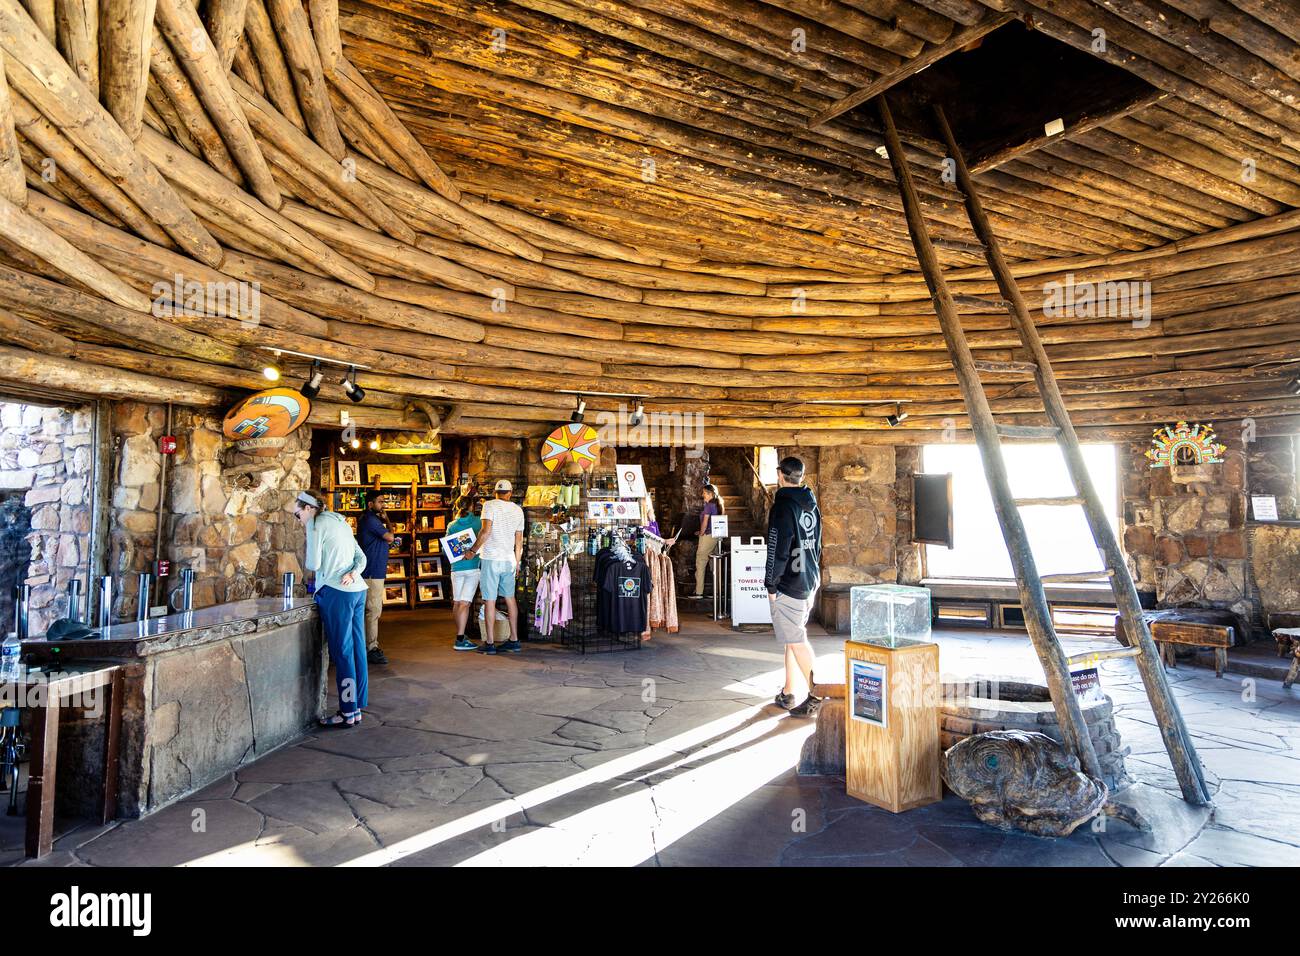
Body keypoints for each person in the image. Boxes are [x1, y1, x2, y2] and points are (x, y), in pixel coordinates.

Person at [294, 490, 369, 728]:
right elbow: (361, 557)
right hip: (357, 589)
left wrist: (312, 539)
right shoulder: (341, 520)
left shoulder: (315, 523)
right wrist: (353, 572)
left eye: (298, 515)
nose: (299, 520)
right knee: (357, 649)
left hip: (336, 593)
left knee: (342, 652)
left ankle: (346, 712)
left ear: (308, 508)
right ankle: (356, 708)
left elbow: (313, 564)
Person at [764, 457, 823, 718]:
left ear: (780, 475)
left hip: (790, 582)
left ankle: (818, 693)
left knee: (797, 640)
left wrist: (771, 583)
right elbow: (818, 541)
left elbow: (777, 548)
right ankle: (788, 691)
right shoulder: (810, 503)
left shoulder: (782, 506)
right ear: (800, 476)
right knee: (792, 637)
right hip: (809, 577)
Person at [463, 479, 524, 655]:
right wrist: (517, 562)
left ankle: (489, 643)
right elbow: (518, 541)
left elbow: (485, 531)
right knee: (510, 598)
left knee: (489, 600)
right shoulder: (517, 510)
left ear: (495, 493)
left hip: (491, 559)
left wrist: (472, 551)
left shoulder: (489, 505)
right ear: (510, 493)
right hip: (509, 560)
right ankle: (514, 639)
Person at [357, 494, 394, 666]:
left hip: (374, 570)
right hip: (372, 571)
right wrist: (387, 519)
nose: (383, 505)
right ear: (370, 503)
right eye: (380, 502)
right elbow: (390, 537)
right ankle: (371, 648)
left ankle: (367, 645)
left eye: (384, 502)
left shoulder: (371, 519)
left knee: (371, 610)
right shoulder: (371, 520)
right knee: (373, 610)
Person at [446, 496, 482, 651]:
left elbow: (445, 549)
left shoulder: (452, 525)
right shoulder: (478, 522)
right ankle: (460, 639)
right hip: (472, 567)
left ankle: (460, 633)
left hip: (456, 568)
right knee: (465, 603)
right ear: (472, 507)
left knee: (458, 602)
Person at [691, 483, 725, 598]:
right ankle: (717, 592)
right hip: (716, 536)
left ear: (710, 494)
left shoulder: (709, 505)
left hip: (708, 536)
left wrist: (701, 533)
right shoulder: (718, 503)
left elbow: (705, 522)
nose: (702, 495)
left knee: (700, 562)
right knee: (714, 564)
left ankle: (699, 592)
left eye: (704, 493)